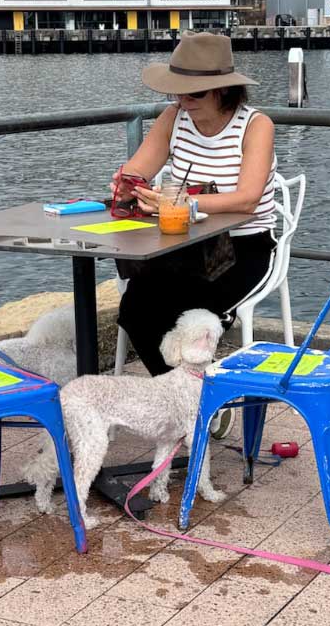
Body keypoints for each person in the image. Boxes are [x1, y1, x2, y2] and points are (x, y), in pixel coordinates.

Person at [113, 32, 278, 438]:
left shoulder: (256, 126)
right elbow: (139, 170)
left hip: (244, 246)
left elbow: (248, 200)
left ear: (223, 90)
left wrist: (180, 201)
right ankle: (191, 401)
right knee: (135, 308)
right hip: (185, 244)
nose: (183, 100)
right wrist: (128, 184)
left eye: (194, 93)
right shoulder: (174, 118)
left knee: (187, 311)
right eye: (178, 91)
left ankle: (195, 404)